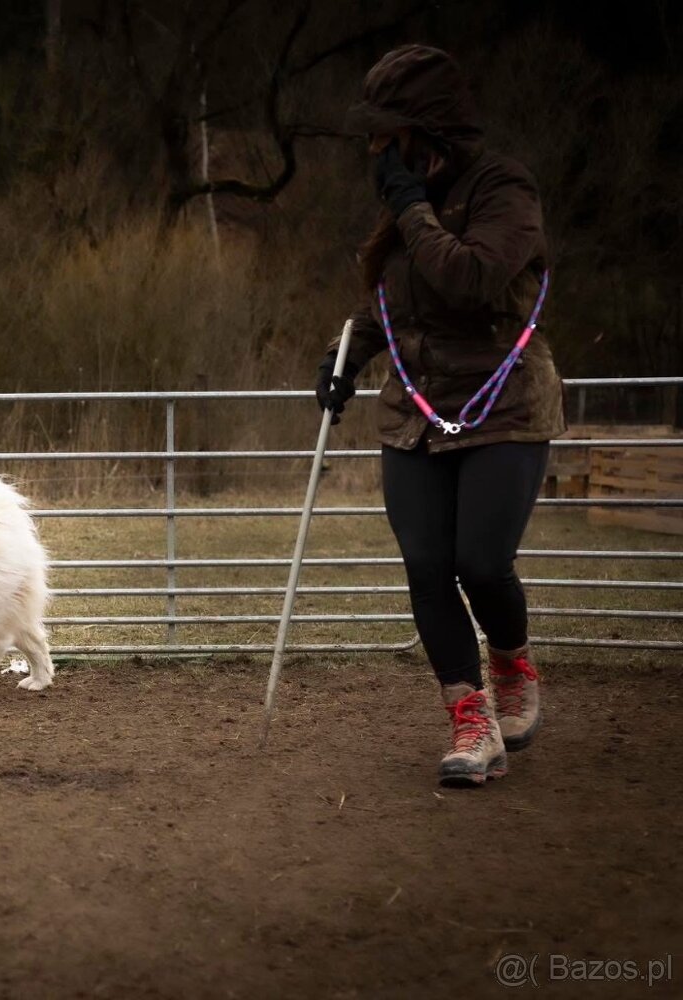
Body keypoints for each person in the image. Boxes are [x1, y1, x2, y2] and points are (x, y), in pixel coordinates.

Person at [315, 44, 564, 788]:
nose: (373, 149)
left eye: (385, 132)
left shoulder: (504, 190)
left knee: (481, 564)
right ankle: (470, 718)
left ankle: (513, 661)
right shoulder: (404, 204)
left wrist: (412, 211)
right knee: (426, 564)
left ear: (427, 132)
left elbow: (471, 280)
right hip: (415, 412)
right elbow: (389, 302)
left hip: (502, 402)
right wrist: (342, 359)